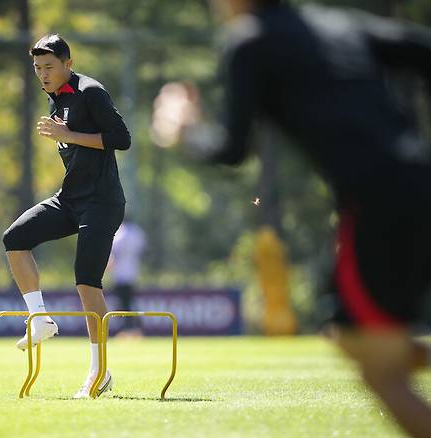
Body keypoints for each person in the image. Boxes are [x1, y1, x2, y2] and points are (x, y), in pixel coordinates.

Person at [157, 0, 431, 435]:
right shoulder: (335, 21)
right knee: (355, 337)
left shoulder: (248, 41)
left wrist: (184, 128)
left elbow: (232, 149)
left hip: (377, 200)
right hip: (416, 181)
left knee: (376, 366)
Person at [2, 34, 131, 398]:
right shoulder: (55, 97)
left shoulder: (91, 91)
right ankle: (40, 320)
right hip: (70, 198)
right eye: (37, 68)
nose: (42, 74)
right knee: (15, 238)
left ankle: (100, 371)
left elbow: (122, 139)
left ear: (68, 63)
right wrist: (68, 134)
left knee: (87, 281)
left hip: (102, 203)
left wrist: (68, 134)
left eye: (49, 67)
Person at [109, 218, 146, 337]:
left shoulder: (120, 232)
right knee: (128, 302)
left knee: (123, 303)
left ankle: (129, 329)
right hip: (133, 272)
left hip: (120, 274)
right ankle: (133, 328)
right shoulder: (137, 232)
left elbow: (114, 251)